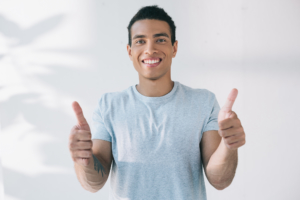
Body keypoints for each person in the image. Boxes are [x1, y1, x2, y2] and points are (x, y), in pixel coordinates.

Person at [68, 5, 246, 200]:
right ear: (129, 51)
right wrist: (83, 160)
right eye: (140, 41)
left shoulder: (203, 102)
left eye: (160, 40)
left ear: (174, 48)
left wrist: (229, 146)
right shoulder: (109, 105)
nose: (150, 49)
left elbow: (219, 180)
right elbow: (94, 183)